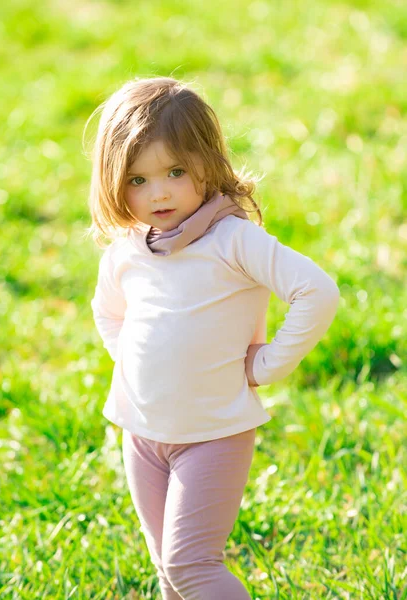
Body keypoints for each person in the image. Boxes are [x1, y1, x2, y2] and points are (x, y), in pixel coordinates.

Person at [86, 76, 340, 600]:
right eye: (137, 180)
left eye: (175, 172)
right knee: (168, 571)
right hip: (143, 435)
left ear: (207, 164)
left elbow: (316, 292)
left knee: (193, 566)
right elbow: (109, 314)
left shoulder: (233, 240)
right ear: (113, 182)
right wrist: (133, 369)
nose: (158, 192)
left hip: (212, 435)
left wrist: (267, 365)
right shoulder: (128, 249)